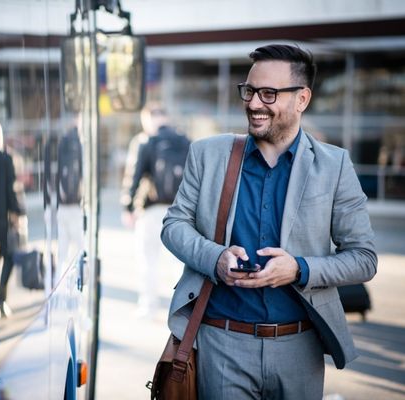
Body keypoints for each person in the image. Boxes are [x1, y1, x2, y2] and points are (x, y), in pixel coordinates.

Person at [161, 44, 377, 399]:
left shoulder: (335, 166)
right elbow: (174, 226)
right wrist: (214, 257)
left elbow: (364, 258)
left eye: (269, 94)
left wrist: (299, 269)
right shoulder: (207, 154)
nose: (254, 103)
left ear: (302, 99)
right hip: (222, 343)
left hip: (299, 347)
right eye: (249, 91)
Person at [121, 102, 190, 317]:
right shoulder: (185, 141)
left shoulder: (145, 141)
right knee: (179, 262)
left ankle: (149, 306)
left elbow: (134, 175)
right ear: (166, 118)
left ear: (148, 119)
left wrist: (128, 206)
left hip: (151, 211)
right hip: (179, 211)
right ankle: (182, 308)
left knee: (148, 259)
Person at [0, 120, 26, 319]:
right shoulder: (5, 159)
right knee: (8, 256)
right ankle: (1, 298)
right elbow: (11, 191)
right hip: (2, 218)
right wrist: (18, 213)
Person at [55, 126, 83, 281]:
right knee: (79, 247)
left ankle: (59, 280)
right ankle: (76, 279)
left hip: (62, 206)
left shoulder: (62, 146)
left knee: (63, 248)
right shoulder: (79, 146)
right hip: (75, 206)